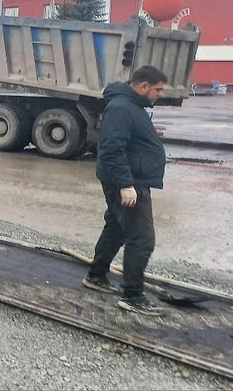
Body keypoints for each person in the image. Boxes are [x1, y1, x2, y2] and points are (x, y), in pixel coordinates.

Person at [83, 65, 169, 316]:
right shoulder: (122, 108)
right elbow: (111, 149)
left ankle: (96, 276)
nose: (159, 94)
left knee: (117, 228)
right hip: (129, 182)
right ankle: (132, 295)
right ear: (143, 86)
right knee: (141, 239)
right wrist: (126, 186)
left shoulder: (131, 106)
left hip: (129, 179)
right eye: (157, 90)